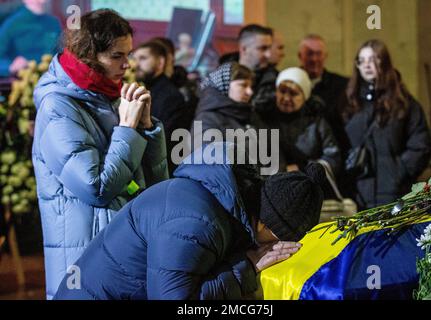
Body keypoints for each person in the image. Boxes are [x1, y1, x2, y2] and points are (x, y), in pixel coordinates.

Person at [53, 143, 327, 300]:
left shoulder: (223, 204)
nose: (278, 250)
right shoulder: (198, 223)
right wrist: (248, 266)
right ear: (269, 227)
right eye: (283, 242)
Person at [32, 9, 169, 299]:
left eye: (128, 54)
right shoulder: (57, 106)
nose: (127, 64)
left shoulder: (108, 96)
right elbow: (97, 189)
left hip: (120, 252)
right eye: (117, 56)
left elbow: (154, 188)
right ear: (89, 55)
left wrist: (146, 129)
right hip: (86, 262)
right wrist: (128, 128)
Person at [342, 39, 431, 209]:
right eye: (362, 60)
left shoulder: (403, 102)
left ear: (385, 62)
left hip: (395, 194)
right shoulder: (349, 102)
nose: (367, 65)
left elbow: (421, 145)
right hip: (357, 197)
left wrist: (399, 171)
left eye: (373, 59)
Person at [254, 67, 341, 198]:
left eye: (294, 93)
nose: (286, 98)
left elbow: (333, 157)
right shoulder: (262, 120)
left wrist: (303, 169)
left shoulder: (316, 122)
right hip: (272, 192)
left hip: (309, 192)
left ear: (305, 96)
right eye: (282, 91)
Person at [134, 40, 191, 175]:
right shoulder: (149, 90)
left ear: (160, 62)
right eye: (134, 58)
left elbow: (161, 140)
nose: (136, 64)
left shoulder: (170, 96)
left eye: (143, 58)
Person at [298, 34, 349, 150]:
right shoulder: (289, 85)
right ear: (300, 56)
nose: (314, 59)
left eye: (318, 54)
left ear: (326, 56)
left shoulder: (343, 85)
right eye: (309, 53)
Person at [191, 62, 254, 143]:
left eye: (250, 86)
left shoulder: (246, 113)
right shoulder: (207, 120)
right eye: (243, 85)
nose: (250, 92)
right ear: (225, 85)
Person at [0, 0, 61, 77]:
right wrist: (10, 67)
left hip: (52, 79)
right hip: (23, 80)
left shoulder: (53, 23)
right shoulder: (12, 24)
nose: (42, 1)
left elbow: (60, 52)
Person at [238, 24, 278, 113]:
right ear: (244, 49)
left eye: (269, 48)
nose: (268, 55)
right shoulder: (219, 81)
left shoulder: (277, 82)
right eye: (263, 48)